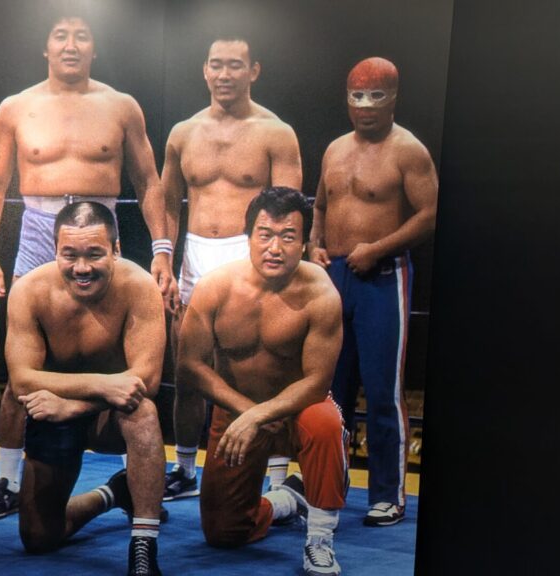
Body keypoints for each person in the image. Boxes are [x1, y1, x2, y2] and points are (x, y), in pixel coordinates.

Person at [0, 13, 171, 520]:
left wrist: (162, 248)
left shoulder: (121, 106)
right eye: (60, 35)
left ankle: (136, 480)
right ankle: (6, 482)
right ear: (46, 46)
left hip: (100, 230)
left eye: (81, 35)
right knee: (22, 363)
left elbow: (149, 181)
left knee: (118, 356)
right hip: (39, 230)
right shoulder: (16, 107)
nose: (70, 44)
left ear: (94, 47)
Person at [160, 37, 302, 500]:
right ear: (205, 69)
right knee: (187, 368)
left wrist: (278, 267)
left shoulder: (276, 133)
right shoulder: (183, 133)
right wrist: (163, 256)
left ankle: (277, 478)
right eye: (217, 65)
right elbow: (167, 202)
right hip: (196, 256)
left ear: (253, 70)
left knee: (265, 370)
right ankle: (184, 468)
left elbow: (288, 211)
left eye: (235, 65)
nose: (224, 74)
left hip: (252, 255)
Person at [178, 188, 348, 576]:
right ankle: (287, 500)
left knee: (325, 420)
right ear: (248, 236)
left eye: (288, 236)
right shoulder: (215, 287)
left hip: (298, 408)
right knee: (223, 532)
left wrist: (263, 413)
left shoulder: (320, 292)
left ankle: (320, 539)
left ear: (303, 243)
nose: (274, 247)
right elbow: (189, 366)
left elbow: (317, 381)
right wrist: (249, 412)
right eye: (265, 234)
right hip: (238, 410)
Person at [309, 57, 438, 527]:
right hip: (334, 277)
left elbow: (430, 214)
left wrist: (378, 249)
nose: (365, 105)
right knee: (330, 387)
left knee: (383, 390)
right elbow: (320, 205)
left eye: (375, 96)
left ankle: (388, 495)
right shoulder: (334, 149)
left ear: (394, 98)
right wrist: (314, 245)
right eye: (357, 95)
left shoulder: (408, 150)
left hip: (383, 277)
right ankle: (329, 488)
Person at [7, 202, 166, 576]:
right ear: (55, 251)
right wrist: (103, 384)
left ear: (116, 249)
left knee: (143, 412)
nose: (81, 268)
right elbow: (22, 380)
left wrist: (75, 406)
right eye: (70, 255)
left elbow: (147, 380)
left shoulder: (139, 286)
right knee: (39, 538)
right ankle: (113, 493)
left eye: (94, 254)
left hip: (108, 417)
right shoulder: (29, 291)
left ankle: (144, 545)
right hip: (53, 417)